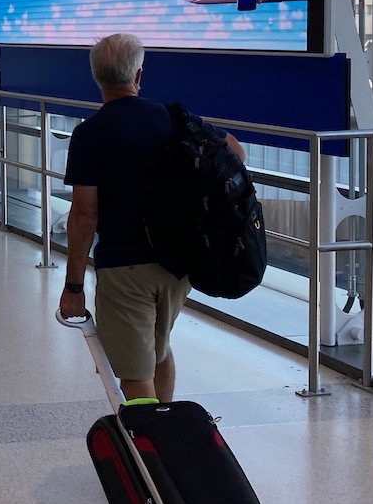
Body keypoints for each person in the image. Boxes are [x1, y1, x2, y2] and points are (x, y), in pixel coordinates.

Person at [57, 34, 244, 403]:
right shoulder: (175, 119)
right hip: (178, 265)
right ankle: (169, 436)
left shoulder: (89, 134)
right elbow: (234, 151)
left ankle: (150, 451)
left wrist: (74, 286)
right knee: (159, 351)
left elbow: (84, 215)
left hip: (124, 270)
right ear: (138, 75)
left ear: (97, 78)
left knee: (134, 372)